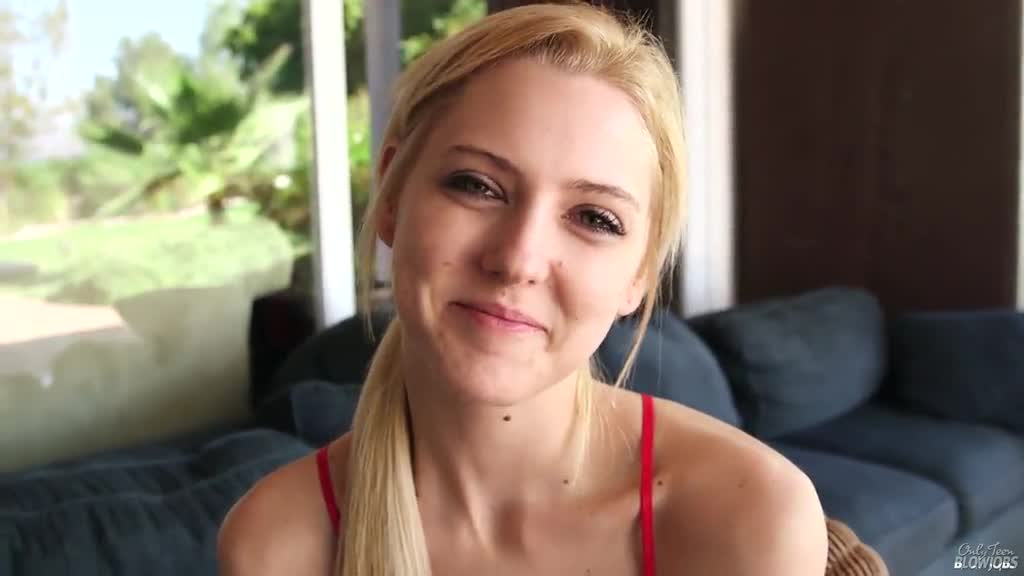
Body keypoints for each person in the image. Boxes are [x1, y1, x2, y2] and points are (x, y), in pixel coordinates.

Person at [218, 3, 828, 575]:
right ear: (392, 197)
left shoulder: (746, 518)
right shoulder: (276, 544)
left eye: (595, 218)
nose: (517, 260)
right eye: (476, 185)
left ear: (637, 277)